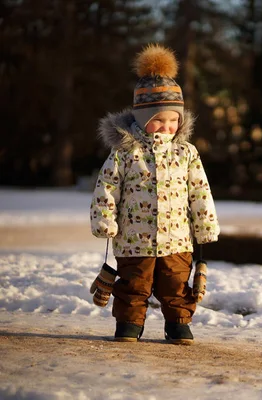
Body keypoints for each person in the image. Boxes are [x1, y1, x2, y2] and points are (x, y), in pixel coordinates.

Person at [89, 44, 219, 345]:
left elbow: (199, 190)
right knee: (134, 284)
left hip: (177, 238)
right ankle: (129, 323)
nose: (168, 126)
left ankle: (178, 322)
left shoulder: (186, 152)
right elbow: (107, 187)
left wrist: (205, 225)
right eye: (159, 119)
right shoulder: (126, 152)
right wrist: (105, 219)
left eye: (174, 120)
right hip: (135, 239)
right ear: (141, 118)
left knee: (176, 283)